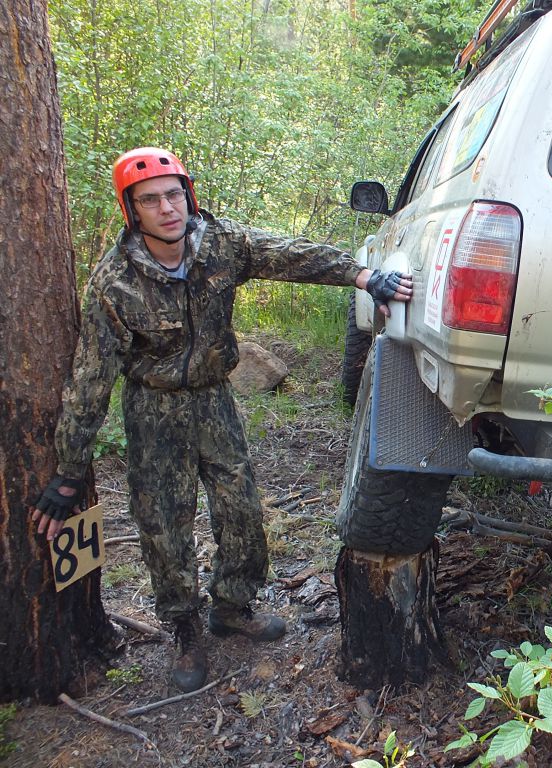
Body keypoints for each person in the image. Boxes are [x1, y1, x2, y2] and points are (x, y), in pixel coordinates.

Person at [29, 147, 411, 692]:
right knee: (164, 523)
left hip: (214, 399)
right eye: (151, 200)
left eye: (174, 194)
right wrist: (69, 471)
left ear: (188, 195)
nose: (167, 208)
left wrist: (362, 275)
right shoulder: (114, 280)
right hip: (153, 409)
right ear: (131, 211)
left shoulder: (220, 244)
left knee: (241, 510)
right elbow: (91, 377)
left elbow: (288, 254)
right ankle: (183, 628)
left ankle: (232, 606)